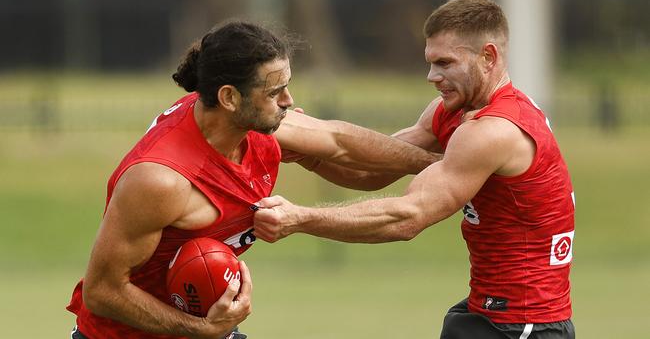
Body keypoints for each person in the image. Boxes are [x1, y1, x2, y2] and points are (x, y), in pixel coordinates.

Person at [66, 21, 440, 339]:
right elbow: (102, 291)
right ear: (229, 97)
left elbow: (341, 149)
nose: (289, 101)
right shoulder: (162, 180)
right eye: (275, 92)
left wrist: (439, 163)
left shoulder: (259, 128)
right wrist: (200, 330)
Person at [254, 0, 576, 339]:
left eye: (445, 63)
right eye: (430, 62)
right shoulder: (452, 112)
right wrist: (307, 155)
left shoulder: (493, 130)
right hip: (485, 312)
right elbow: (371, 169)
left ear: (488, 56)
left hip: (522, 325)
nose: (432, 76)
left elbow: (408, 217)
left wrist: (300, 218)